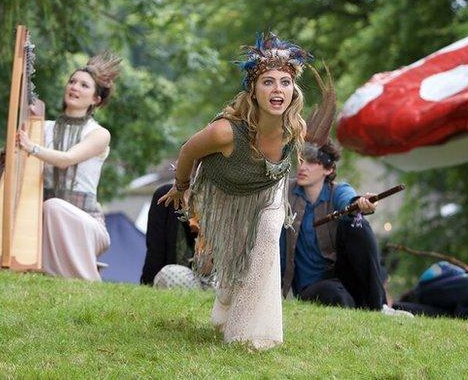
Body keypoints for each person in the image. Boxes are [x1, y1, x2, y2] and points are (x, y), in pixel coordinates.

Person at [158, 32, 311, 350]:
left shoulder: (294, 127)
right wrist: (181, 187)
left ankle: (249, 335)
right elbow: (187, 151)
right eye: (268, 82)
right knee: (235, 260)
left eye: (284, 82)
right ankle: (226, 306)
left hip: (269, 190)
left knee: (267, 240)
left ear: (292, 90)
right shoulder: (225, 131)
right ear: (253, 91)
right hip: (226, 191)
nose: (277, 89)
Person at [16, 53, 121, 280]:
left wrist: (31, 148)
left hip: (88, 224)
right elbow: (12, 157)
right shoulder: (43, 128)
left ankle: (87, 279)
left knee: (53, 206)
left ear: (96, 99)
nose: (75, 87)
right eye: (72, 81)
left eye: (84, 85)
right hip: (44, 220)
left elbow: (66, 159)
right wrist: (8, 152)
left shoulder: (99, 134)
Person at [281, 141, 410, 316]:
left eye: (311, 162)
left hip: (343, 278)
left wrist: (360, 204)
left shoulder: (338, 191)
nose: (302, 167)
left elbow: (350, 201)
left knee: (356, 223)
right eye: (301, 160)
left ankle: (379, 306)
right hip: (312, 287)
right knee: (337, 296)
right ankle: (360, 305)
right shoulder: (285, 191)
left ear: (329, 169)